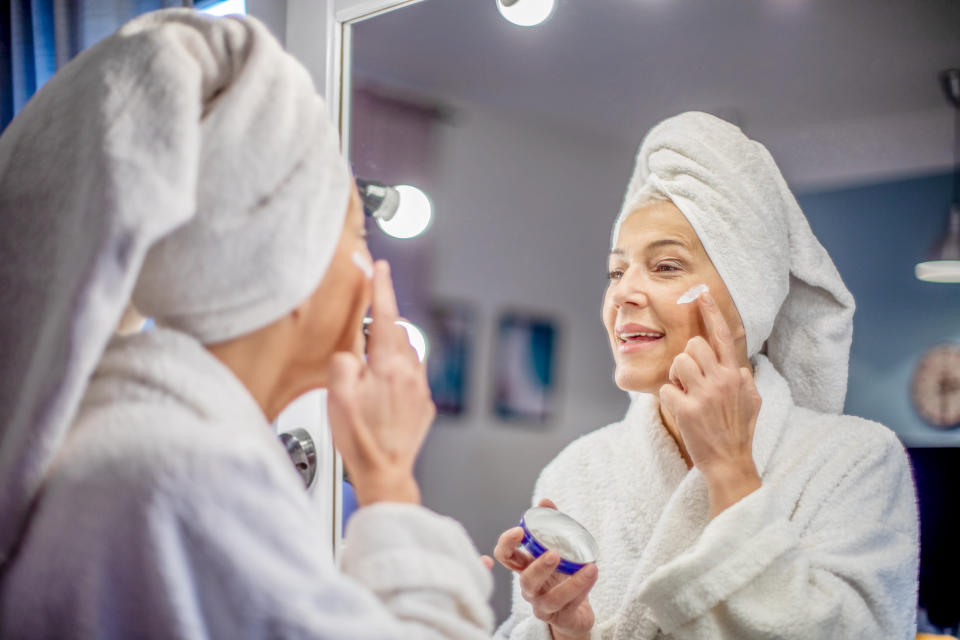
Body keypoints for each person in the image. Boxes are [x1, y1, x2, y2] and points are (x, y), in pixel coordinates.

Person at [0, 10, 493, 638]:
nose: (371, 266)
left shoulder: (147, 445)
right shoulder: (178, 472)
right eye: (357, 232)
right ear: (287, 258)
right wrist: (390, 476)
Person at [493, 112, 919, 640]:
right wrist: (566, 632)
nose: (623, 293)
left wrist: (731, 470)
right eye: (616, 271)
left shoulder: (855, 460)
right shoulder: (577, 472)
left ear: (748, 295)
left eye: (666, 266)